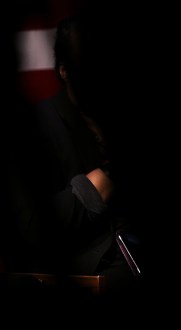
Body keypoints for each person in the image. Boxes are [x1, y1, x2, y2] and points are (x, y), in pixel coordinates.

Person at [15, 16, 142, 298]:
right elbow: (31, 228)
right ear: (64, 70)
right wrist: (96, 186)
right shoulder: (37, 129)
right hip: (87, 271)